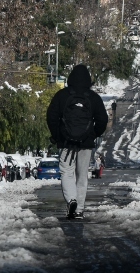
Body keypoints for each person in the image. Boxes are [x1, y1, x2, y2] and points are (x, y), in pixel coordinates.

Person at [46, 64, 109, 220]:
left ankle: (71, 200)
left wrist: (57, 135)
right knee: (82, 176)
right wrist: (93, 134)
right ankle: (79, 209)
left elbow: (51, 117)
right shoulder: (94, 97)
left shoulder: (62, 95)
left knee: (66, 172)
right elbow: (103, 120)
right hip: (86, 143)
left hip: (66, 142)